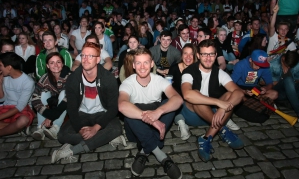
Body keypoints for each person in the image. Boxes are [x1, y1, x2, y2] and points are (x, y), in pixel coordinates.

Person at [52, 42, 124, 163]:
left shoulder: (108, 78)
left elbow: (113, 108)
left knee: (117, 129)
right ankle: (105, 137)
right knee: (62, 135)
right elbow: (72, 108)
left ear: (98, 60)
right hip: (82, 114)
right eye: (83, 55)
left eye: (90, 56)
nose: (85, 59)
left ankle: (73, 150)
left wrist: (96, 128)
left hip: (102, 113)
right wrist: (80, 128)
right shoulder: (73, 78)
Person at [118, 48, 183, 179]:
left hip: (155, 123)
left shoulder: (159, 80)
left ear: (152, 63)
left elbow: (178, 99)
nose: (142, 67)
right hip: (136, 129)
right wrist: (152, 119)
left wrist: (158, 112)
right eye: (139, 63)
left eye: (146, 62)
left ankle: (143, 151)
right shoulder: (127, 83)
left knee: (167, 103)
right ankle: (162, 156)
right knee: (131, 109)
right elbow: (122, 105)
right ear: (133, 65)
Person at [181, 40, 244, 162]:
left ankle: (205, 138)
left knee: (231, 94)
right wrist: (218, 103)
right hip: (193, 115)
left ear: (216, 56)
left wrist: (222, 108)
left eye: (211, 54)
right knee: (196, 95)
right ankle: (222, 129)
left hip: (214, 115)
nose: (208, 58)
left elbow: (239, 93)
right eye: (204, 54)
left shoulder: (219, 72)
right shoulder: (189, 71)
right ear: (198, 56)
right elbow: (187, 94)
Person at [31, 52, 70, 140]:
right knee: (43, 94)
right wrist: (47, 113)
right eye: (52, 63)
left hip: (68, 105)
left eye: (58, 62)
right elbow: (34, 97)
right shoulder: (44, 78)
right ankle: (40, 127)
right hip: (54, 105)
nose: (55, 65)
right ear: (47, 66)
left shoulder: (69, 76)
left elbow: (68, 99)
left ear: (62, 64)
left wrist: (51, 116)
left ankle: (55, 128)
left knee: (64, 94)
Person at [0, 52, 35, 137]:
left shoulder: (28, 82)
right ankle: (15, 128)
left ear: (9, 67)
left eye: (0, 65)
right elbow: (2, 99)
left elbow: (20, 106)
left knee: (23, 120)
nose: (0, 69)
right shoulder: (5, 78)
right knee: (18, 124)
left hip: (21, 110)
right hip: (6, 107)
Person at [272, 51, 299, 118]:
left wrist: (294, 82)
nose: (289, 68)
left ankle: (291, 101)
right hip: (279, 91)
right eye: (287, 65)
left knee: (290, 81)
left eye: (291, 67)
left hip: (293, 91)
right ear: (283, 58)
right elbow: (264, 82)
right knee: (288, 80)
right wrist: (282, 79)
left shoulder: (297, 64)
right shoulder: (273, 64)